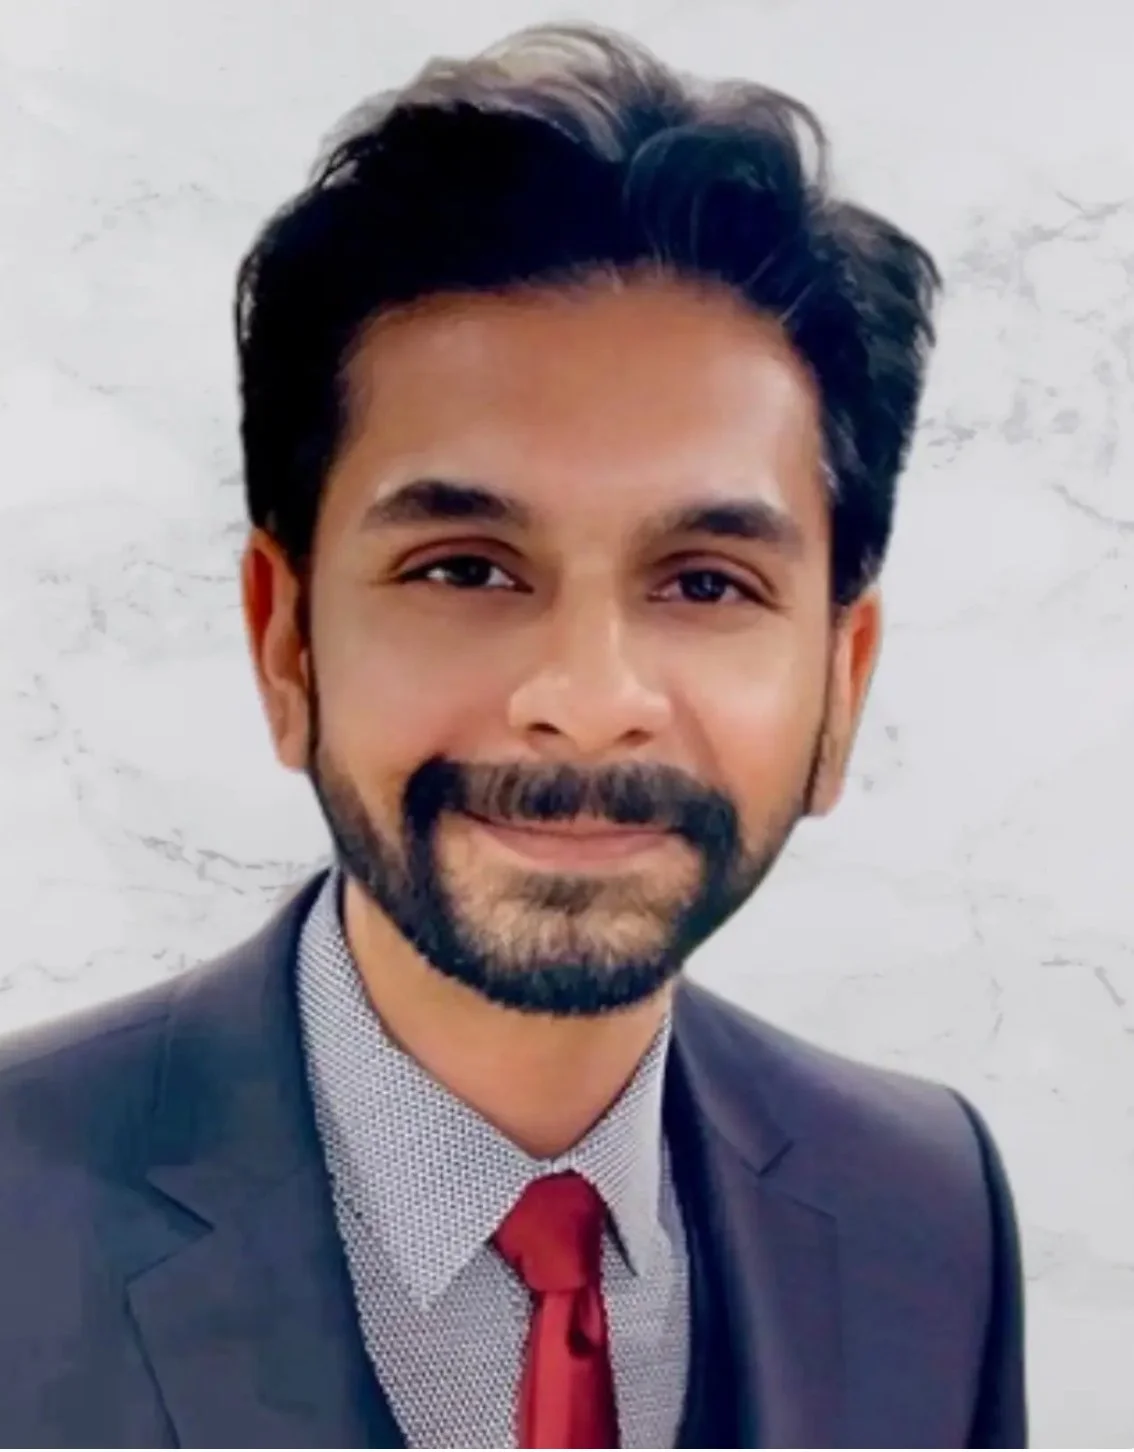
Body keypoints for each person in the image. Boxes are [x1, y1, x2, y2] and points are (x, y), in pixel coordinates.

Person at [0, 23, 1027, 1450]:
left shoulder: (929, 1209)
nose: (590, 695)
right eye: (467, 568)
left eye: (705, 584)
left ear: (839, 683)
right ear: (287, 641)